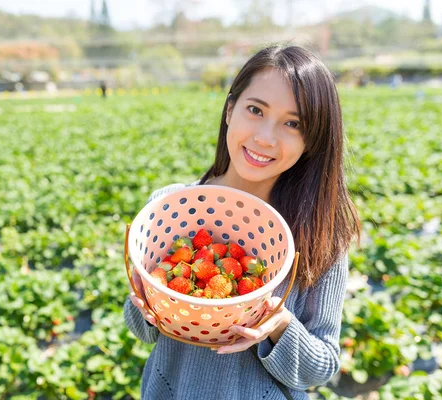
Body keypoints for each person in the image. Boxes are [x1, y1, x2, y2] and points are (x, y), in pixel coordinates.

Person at [124, 44, 361, 400]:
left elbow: (322, 367)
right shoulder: (169, 206)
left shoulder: (321, 234)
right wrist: (148, 306)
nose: (265, 137)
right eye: (255, 110)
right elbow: (142, 330)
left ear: (311, 140)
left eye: (292, 123)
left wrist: (277, 324)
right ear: (230, 109)